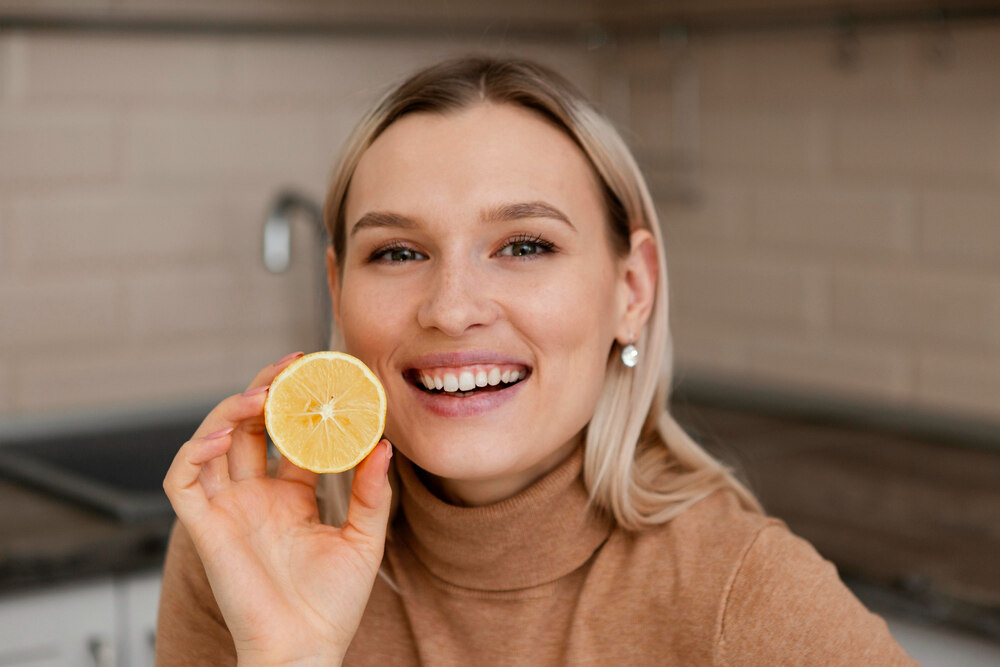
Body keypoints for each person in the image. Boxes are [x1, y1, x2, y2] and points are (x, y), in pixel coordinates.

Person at [157, 56, 915, 665]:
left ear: (631, 288)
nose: (452, 307)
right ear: (337, 289)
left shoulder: (742, 595)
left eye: (525, 245)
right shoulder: (245, 546)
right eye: (396, 251)